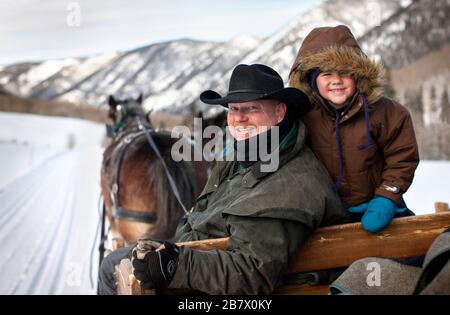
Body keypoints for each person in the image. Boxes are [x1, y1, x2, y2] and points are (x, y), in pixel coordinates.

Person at [98, 64, 349, 295]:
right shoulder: (245, 157)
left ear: (280, 112)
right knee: (114, 262)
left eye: (252, 108)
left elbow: (252, 273)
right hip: (201, 258)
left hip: (222, 285)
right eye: (234, 109)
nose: (239, 118)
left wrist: (175, 263)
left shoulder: (291, 183)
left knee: (112, 268)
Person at [288, 25, 420, 233]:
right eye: (326, 74)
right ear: (312, 81)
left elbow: (402, 158)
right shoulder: (302, 116)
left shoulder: (387, 112)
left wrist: (387, 197)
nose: (336, 81)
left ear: (358, 76)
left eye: (344, 73)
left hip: (376, 206)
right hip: (325, 215)